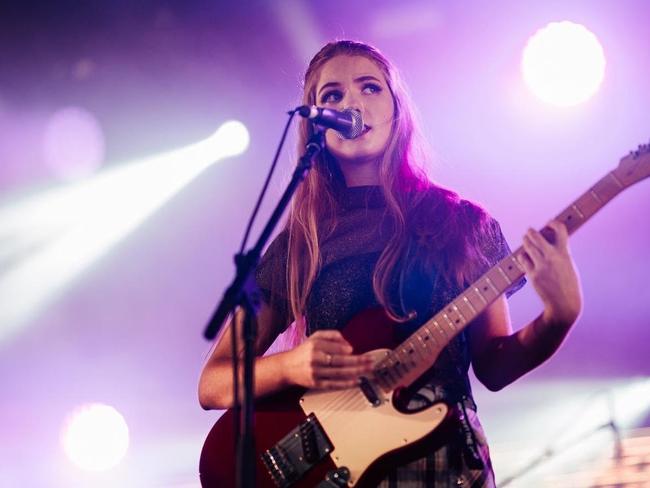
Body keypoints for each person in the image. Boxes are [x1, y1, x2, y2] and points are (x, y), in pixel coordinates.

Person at [198, 40, 583, 487]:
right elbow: (214, 383)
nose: (352, 103)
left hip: (447, 464)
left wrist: (559, 317)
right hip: (340, 472)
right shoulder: (301, 242)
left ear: (397, 109)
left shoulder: (461, 222)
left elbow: (494, 367)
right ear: (317, 122)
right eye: (332, 96)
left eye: (370, 88)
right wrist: (291, 365)